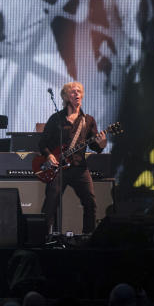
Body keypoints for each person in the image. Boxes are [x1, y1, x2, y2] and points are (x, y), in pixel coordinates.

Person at [39, 81, 107, 234]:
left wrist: (101, 143)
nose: (77, 94)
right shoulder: (56, 119)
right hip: (58, 170)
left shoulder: (88, 120)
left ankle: (88, 238)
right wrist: (49, 155)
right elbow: (42, 143)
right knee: (50, 205)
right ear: (65, 96)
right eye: (73, 91)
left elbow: (95, 147)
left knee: (90, 203)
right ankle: (41, 239)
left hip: (79, 169)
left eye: (79, 91)